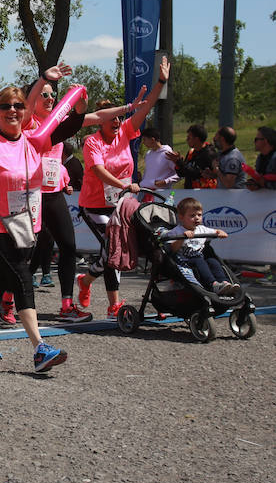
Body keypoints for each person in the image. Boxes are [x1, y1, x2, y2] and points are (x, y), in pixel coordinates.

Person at [0, 84, 85, 372]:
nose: (12, 111)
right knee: (23, 278)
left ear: (25, 112)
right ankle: (39, 349)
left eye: (17, 106)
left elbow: (71, 124)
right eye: (5, 107)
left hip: (26, 226)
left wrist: (81, 103)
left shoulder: (35, 142)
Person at [76, 57, 169, 318]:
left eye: (119, 119)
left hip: (123, 203)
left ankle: (87, 280)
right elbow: (97, 170)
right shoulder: (92, 142)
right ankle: (113, 304)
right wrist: (125, 185)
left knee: (144, 241)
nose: (117, 123)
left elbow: (146, 106)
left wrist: (160, 82)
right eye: (113, 119)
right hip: (95, 205)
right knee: (113, 247)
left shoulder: (126, 131)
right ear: (101, 121)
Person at [165, 197, 239, 295]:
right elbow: (172, 249)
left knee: (213, 261)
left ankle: (225, 283)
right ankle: (213, 284)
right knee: (199, 260)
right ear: (181, 217)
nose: (197, 218)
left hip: (198, 257)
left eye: (199, 215)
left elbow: (215, 231)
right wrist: (182, 238)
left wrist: (220, 232)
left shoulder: (202, 229)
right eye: (192, 215)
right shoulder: (176, 231)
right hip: (184, 260)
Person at [168, 124, 217, 189]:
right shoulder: (191, 152)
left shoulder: (208, 154)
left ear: (196, 139)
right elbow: (183, 173)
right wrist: (177, 163)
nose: (187, 140)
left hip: (205, 192)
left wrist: (180, 163)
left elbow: (195, 173)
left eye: (189, 138)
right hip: (190, 190)